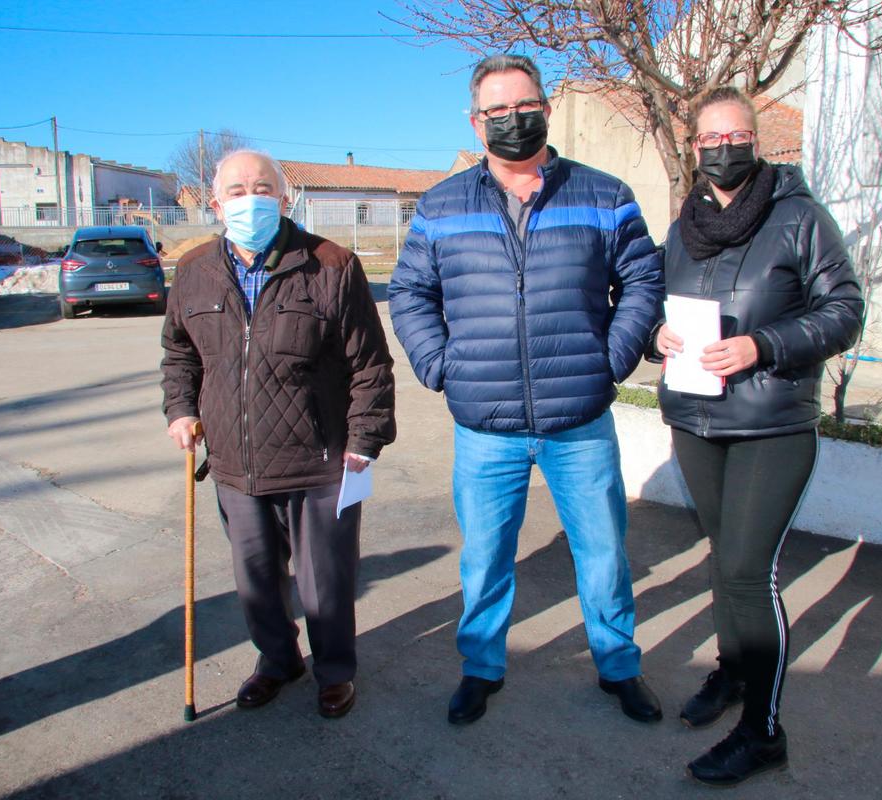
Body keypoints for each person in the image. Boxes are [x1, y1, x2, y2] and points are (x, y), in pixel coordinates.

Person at [388, 54, 665, 726]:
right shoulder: (441, 205)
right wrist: (441, 365)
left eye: (524, 105)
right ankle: (482, 667)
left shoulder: (605, 195)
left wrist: (612, 359)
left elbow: (643, 282)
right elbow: (409, 293)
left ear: (544, 106)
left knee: (601, 550)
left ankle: (619, 664)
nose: (513, 120)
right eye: (497, 111)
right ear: (475, 121)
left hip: (580, 419)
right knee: (485, 557)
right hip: (486, 424)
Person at [650, 87, 864, 786]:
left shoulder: (798, 217)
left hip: (772, 422)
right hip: (697, 420)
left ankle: (763, 732)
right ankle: (732, 674)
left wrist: (762, 346)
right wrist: (656, 334)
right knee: (724, 561)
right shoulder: (682, 227)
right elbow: (651, 304)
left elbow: (845, 310)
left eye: (733, 135)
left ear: (756, 140)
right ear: (694, 148)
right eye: (708, 139)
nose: (721, 148)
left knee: (748, 572)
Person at [160, 149, 396, 719]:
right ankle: (277, 661)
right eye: (236, 190)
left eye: (262, 188)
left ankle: (335, 671)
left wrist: (364, 441)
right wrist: (180, 410)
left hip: (320, 461)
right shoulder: (193, 272)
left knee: (325, 585)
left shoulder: (331, 265)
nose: (250, 199)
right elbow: (179, 354)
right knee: (257, 581)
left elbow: (370, 365)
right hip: (236, 465)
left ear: (285, 199)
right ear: (215, 203)